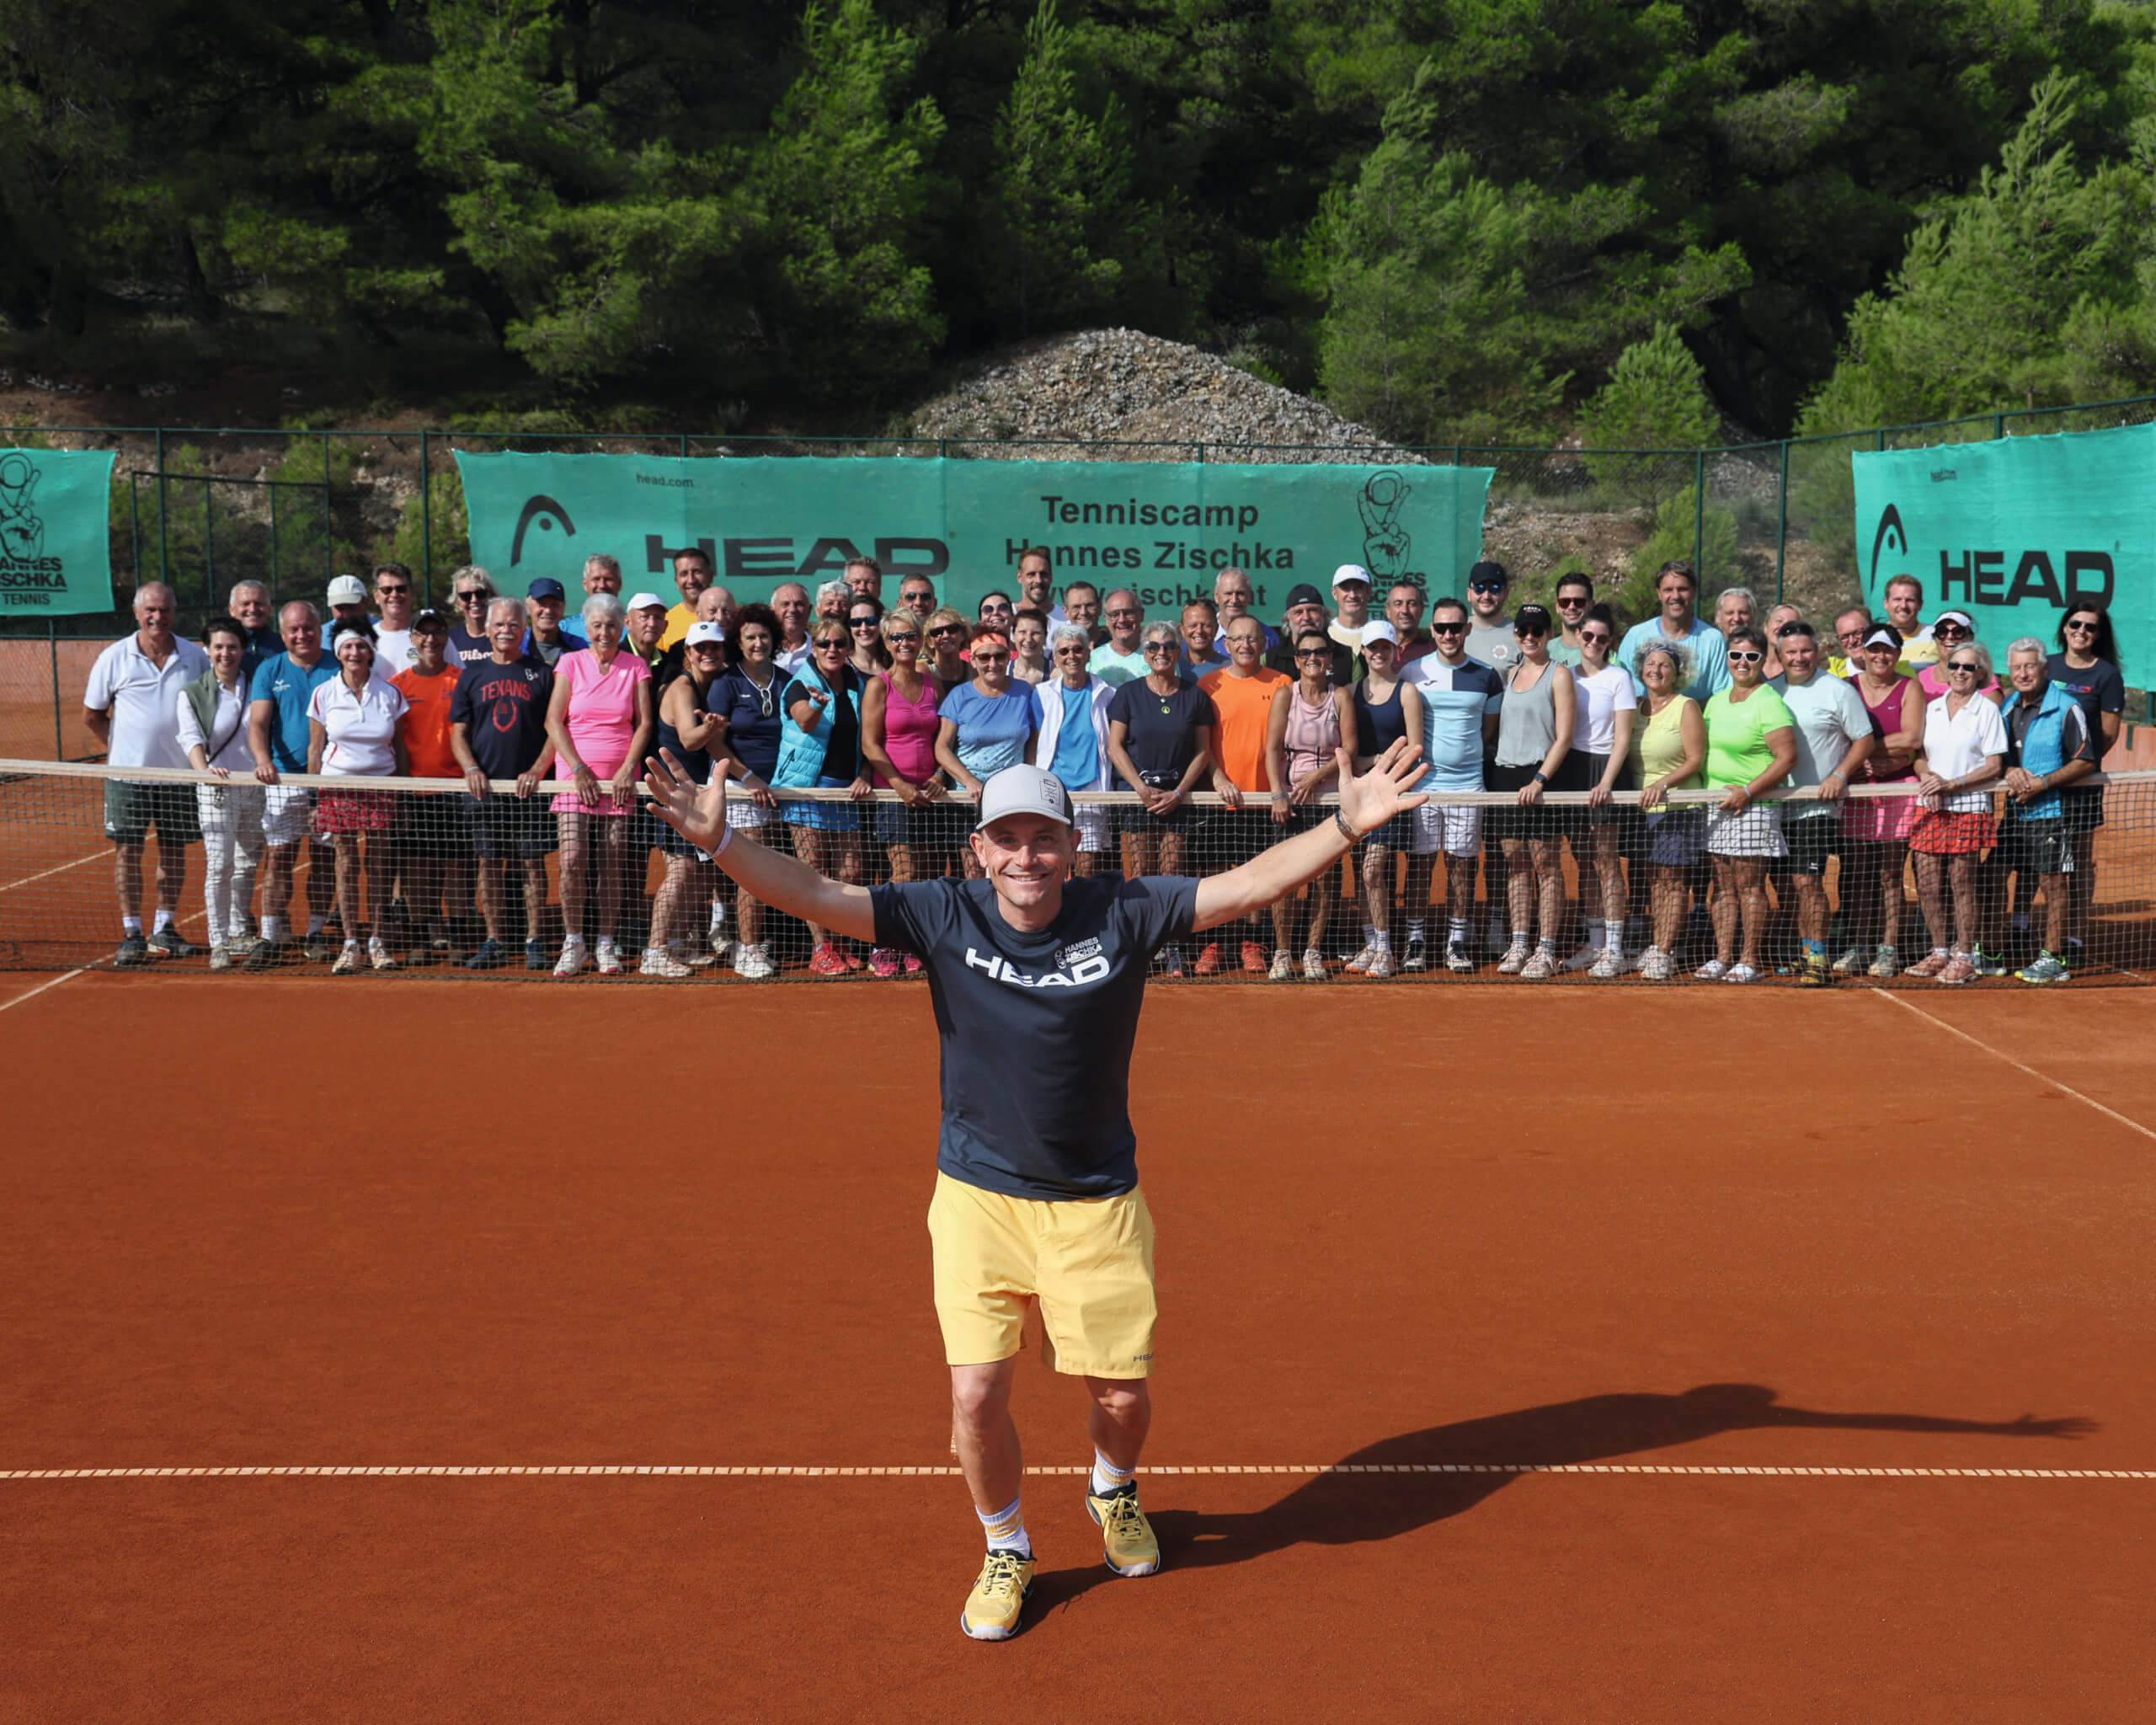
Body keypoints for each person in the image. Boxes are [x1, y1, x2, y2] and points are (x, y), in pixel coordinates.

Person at [639, 734, 1428, 1644]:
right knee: (976, 1394)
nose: (1026, 857)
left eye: (1043, 838)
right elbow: (819, 894)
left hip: (1096, 1198)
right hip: (978, 1194)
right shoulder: (943, 913)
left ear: (1072, 846)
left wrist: (1344, 823)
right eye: (1006, 839)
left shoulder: (1122, 909)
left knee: (1121, 1398)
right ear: (979, 847)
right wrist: (722, 845)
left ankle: (1111, 1487)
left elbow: (1248, 884)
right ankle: (1005, 1543)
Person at [84, 580, 210, 966]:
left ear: (175, 612)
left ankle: (165, 928)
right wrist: (123, 751)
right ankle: (132, 932)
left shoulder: (195, 657)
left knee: (173, 853)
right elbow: (93, 715)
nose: (158, 617)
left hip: (180, 778)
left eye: (165, 610)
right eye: (150, 610)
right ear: (137, 613)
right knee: (128, 853)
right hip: (127, 779)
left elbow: (207, 713)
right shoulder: (113, 657)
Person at [544, 593, 656, 978]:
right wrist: (577, 768)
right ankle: (573, 941)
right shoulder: (570, 662)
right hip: (574, 780)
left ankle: (605, 943)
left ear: (622, 626)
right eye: (597, 626)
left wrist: (628, 770)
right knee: (573, 859)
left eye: (611, 625)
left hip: (620, 783)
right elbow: (554, 722)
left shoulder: (636, 666)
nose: (604, 633)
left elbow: (643, 723)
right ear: (587, 629)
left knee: (612, 862)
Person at [452, 598, 557, 973]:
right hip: (486, 792)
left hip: (530, 792)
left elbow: (554, 730)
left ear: (523, 627)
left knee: (531, 865)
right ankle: (494, 939)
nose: (505, 630)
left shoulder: (542, 673)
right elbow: (458, 733)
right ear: (489, 627)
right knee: (488, 864)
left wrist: (537, 770)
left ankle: (534, 940)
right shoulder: (471, 675)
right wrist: (470, 769)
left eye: (513, 624)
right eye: (499, 624)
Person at [1769, 621, 1875, 987]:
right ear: (1779, 655)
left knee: (1807, 881)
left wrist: (1840, 775)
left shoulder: (1837, 690)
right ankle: (1803, 952)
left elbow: (1863, 740)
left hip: (1818, 806)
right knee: (1787, 885)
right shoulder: (1769, 691)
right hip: (1775, 806)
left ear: (1818, 651)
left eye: (1805, 650)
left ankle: (1818, 955)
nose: (1799, 658)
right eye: (1791, 652)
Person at [1106, 624, 1216, 973]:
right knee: (1140, 875)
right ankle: (1142, 947)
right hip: (1139, 798)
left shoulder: (1195, 696)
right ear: (1145, 651)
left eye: (1169, 645)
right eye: (1154, 645)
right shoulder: (1127, 694)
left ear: (1178, 651)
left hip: (1176, 799)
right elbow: (1115, 746)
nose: (1161, 651)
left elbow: (1203, 752)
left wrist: (1180, 792)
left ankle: (1172, 948)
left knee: (1172, 874)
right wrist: (1139, 787)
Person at [1994, 639, 2101, 985]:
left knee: (2053, 885)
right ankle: (2002, 942)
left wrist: (2043, 784)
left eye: (2029, 666)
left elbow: (2085, 760)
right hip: (2015, 813)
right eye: (2016, 668)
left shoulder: (2067, 707)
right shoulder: (2007, 707)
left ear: (2044, 669)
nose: (2022, 674)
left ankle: (2053, 957)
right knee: (1996, 875)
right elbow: (1997, 757)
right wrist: (2007, 772)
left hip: (2053, 812)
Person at [1407, 595, 1503, 974]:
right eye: (1441, 627)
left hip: (1469, 787)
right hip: (1423, 787)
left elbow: (1487, 731)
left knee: (1462, 867)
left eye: (1455, 627)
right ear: (1432, 630)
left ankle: (1457, 941)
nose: (1448, 634)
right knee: (1420, 866)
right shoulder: (1412, 672)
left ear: (1467, 629)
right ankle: (1415, 940)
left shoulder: (1487, 675)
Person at [307, 621, 409, 974]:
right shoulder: (323, 693)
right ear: (338, 653)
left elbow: (400, 747)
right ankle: (351, 943)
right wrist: (313, 798)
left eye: (361, 647)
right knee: (346, 865)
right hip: (338, 788)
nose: (354, 653)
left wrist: (405, 793)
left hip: (382, 787)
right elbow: (315, 749)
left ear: (370, 652)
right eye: (347, 647)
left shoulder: (391, 694)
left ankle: (377, 941)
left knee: (378, 867)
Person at [1695, 625, 1796, 983]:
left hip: (1753, 808)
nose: (1743, 662)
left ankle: (1749, 959)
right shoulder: (1717, 701)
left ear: (1763, 661)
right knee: (1722, 884)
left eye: (1751, 656)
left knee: (1749, 884)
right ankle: (1723, 956)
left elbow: (1786, 759)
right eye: (1736, 655)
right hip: (1716, 806)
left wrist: (1749, 791)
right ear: (1727, 658)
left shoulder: (1769, 702)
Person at [776, 620, 874, 975]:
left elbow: (867, 738)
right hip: (806, 790)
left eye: (839, 643)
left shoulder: (857, 684)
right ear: (813, 648)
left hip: (846, 792)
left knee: (850, 872)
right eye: (824, 643)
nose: (832, 649)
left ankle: (843, 943)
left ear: (848, 647)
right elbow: (803, 721)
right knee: (814, 873)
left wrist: (865, 774)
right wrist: (817, 705)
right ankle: (822, 948)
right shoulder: (799, 684)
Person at [245, 600, 339, 967]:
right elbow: (258, 725)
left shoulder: (338, 666)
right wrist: (263, 761)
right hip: (283, 780)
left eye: (308, 627)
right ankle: (270, 937)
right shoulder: (270, 669)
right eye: (293, 630)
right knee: (280, 857)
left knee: (325, 858)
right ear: (283, 634)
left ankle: (316, 933)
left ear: (319, 628)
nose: (302, 635)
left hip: (331, 782)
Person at [1906, 640, 2004, 984]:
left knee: (1962, 884)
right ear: (1946, 670)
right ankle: (1939, 951)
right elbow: (1918, 754)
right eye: (1955, 665)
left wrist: (1954, 785)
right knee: (1929, 884)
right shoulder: (1931, 709)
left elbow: (1994, 766)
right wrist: (1927, 777)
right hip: (1929, 808)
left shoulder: (1988, 710)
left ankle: (1965, 956)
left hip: (1969, 808)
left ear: (1980, 674)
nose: (1960, 672)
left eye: (1969, 667)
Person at [860, 607, 949, 977]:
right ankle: (886, 945)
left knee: (928, 872)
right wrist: (898, 784)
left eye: (910, 635)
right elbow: (869, 744)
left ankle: (913, 943)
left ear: (920, 639)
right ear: (886, 643)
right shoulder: (878, 685)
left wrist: (942, 774)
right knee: (903, 871)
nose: (904, 643)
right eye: (896, 637)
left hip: (930, 793)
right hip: (894, 794)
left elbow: (946, 736)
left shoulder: (932, 682)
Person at [1198, 617, 1289, 975]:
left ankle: (1253, 943)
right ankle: (1217, 942)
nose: (1245, 645)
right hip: (1218, 799)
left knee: (1257, 876)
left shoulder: (1283, 684)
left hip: (1265, 799)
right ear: (1226, 645)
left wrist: (1278, 789)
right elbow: (1201, 745)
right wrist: (1218, 777)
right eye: (1237, 639)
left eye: (1252, 638)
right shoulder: (1209, 685)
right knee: (1218, 875)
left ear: (1264, 643)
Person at [1488, 605, 1576, 977]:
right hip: (1506, 778)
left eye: (1537, 630)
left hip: (1542, 779)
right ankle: (1520, 943)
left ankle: (1545, 948)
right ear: (1516, 634)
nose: (1529, 636)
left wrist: (1539, 780)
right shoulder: (1509, 674)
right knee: (1516, 865)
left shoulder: (1559, 675)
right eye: (1523, 629)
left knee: (1546, 865)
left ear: (1547, 634)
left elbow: (1564, 737)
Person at [639, 621, 729, 978]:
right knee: (680, 872)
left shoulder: (707, 686)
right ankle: (655, 951)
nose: (708, 653)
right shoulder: (682, 686)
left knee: (701, 872)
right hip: (674, 793)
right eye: (700, 648)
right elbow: (690, 740)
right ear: (689, 653)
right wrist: (712, 727)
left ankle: (677, 943)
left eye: (715, 647)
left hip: (695, 794)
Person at [1838, 623, 1925, 977]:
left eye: (1888, 650)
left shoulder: (1910, 688)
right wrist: (1860, 758)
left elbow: (1912, 737)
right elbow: (1838, 736)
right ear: (1862, 652)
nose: (1880, 656)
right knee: (1859, 874)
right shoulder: (1847, 688)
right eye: (1874, 649)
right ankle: (1860, 945)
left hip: (1898, 791)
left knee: (1890, 874)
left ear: (1898, 654)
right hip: (1858, 792)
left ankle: (1888, 949)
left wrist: (1861, 749)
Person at [1265, 629, 1352, 979]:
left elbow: (1349, 749)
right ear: (1297, 660)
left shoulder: (1341, 697)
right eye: (1305, 653)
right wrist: (1278, 794)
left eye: (1319, 652)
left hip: (1329, 799)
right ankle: (1283, 954)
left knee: (1325, 881)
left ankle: (1313, 953)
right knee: (1284, 880)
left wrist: (1317, 777)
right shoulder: (1285, 695)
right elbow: (1272, 749)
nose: (1312, 658)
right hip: (1290, 802)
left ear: (1330, 659)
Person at [178, 617, 264, 969]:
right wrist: (205, 774)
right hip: (216, 790)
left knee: (246, 862)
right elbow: (190, 738)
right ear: (207, 650)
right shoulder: (192, 693)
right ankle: (219, 942)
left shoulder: (257, 684)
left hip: (256, 788)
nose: (225, 653)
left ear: (243, 650)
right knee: (220, 864)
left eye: (232, 646)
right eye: (218, 647)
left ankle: (240, 928)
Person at [1342, 621, 1426, 978]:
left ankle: (1387, 949)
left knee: (1372, 870)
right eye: (1372, 647)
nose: (1378, 653)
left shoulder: (1407, 693)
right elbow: (1346, 749)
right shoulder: (1348, 691)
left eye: (1385, 647)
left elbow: (1416, 748)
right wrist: (1363, 765)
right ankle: (1372, 945)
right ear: (1363, 651)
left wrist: (1374, 764)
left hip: (1390, 793)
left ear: (1395, 651)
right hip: (1356, 794)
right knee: (1364, 873)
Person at [1558, 603, 1637, 977]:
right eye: (1587, 636)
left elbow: (1622, 740)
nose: (1593, 642)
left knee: (1607, 863)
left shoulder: (1619, 678)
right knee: (1584, 861)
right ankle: (1594, 943)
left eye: (1601, 638)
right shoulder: (1565, 676)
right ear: (1577, 636)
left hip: (1605, 770)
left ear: (1610, 643)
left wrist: (1606, 781)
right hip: (1572, 769)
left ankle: (1615, 949)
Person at [387, 610, 471, 963]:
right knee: (417, 869)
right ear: (412, 639)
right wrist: (404, 791)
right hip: (415, 792)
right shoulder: (397, 685)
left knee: (457, 869)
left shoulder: (462, 680)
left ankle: (458, 938)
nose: (431, 640)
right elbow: (395, 743)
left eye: (438, 633)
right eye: (423, 634)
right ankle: (421, 937)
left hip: (456, 791)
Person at [2047, 601, 2125, 959]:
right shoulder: (2047, 666)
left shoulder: (2106, 675)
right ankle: (2035, 928)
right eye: (2075, 624)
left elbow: (2108, 735)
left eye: (2090, 627)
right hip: (2041, 781)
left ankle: (2074, 937)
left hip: (2081, 785)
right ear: (2064, 627)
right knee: (2042, 859)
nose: (2081, 631)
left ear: (2098, 634)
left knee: (2078, 860)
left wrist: (2078, 767)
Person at [937, 628, 1045, 882]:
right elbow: (941, 747)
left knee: (1010, 868)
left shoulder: (1026, 692)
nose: (993, 663)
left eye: (999, 656)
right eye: (984, 657)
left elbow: (1034, 743)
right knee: (975, 873)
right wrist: (970, 782)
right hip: (968, 802)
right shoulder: (959, 696)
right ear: (972, 660)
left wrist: (1030, 776)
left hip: (1013, 799)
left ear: (1009, 657)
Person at [1627, 639, 1707, 980]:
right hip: (1641, 809)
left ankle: (1664, 951)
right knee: (1654, 881)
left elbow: (1695, 759)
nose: (1656, 670)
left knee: (1674, 882)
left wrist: (1663, 785)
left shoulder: (1686, 707)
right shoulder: (1634, 708)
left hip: (1678, 806)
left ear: (1676, 673)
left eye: (1664, 665)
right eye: (1650, 664)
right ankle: (1659, 944)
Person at [1034, 623, 1118, 882]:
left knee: (1085, 868)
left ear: (1088, 653)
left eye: (1078, 650)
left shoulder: (1108, 694)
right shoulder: (1041, 695)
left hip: (1093, 792)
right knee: (1053, 861)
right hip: (1052, 792)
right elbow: (1035, 745)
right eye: (1064, 651)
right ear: (1056, 658)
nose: (1072, 656)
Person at [1618, 560, 1729, 702]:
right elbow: (1619, 690)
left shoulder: (1713, 639)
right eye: (1668, 590)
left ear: (1694, 591)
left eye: (1682, 589)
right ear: (1659, 593)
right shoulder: (1635, 636)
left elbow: (1722, 695)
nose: (1676, 596)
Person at [1263, 583, 1354, 683]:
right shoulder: (1269, 659)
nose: (1306, 617)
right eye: (1298, 612)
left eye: (1313, 610)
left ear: (1324, 615)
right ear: (1288, 618)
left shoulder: (1347, 656)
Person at [1914, 611, 2002, 703]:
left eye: (1958, 632)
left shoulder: (1984, 679)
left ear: (1971, 637)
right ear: (1935, 637)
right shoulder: (1920, 679)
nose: (1950, 636)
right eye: (1942, 632)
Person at [1462, 561, 1520, 674]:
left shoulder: (1521, 635)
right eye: (1480, 588)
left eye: (1494, 588)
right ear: (1469, 594)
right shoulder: (1454, 631)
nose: (1486, 596)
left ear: (1506, 594)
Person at [660, 547, 714, 651]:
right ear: (676, 581)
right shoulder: (664, 623)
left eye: (697, 572)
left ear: (710, 576)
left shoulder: (735, 617)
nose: (691, 580)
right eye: (684, 574)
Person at [523, 575, 585, 665]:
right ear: (527, 606)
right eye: (542, 604)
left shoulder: (579, 648)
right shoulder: (515, 646)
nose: (548, 610)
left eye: (555, 605)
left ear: (563, 607)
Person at [1089, 591, 1149, 686]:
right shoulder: (1092, 660)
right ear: (1106, 620)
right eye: (1115, 614)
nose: (1122, 620)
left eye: (1128, 613)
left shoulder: (1158, 656)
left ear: (1141, 615)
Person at [370, 563, 419, 674]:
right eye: (387, 590)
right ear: (376, 596)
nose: (394, 594)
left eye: (401, 589)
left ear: (412, 593)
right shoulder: (366, 640)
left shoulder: (433, 638)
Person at [1213, 569, 1277, 652]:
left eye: (1240, 593)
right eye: (1228, 593)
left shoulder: (1268, 637)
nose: (1234, 600)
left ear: (1250, 596)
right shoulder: (1201, 636)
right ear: (1216, 596)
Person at [445, 566, 496, 666]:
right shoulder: (449, 640)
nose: (474, 600)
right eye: (466, 596)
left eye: (480, 593)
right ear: (457, 601)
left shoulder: (503, 636)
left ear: (491, 596)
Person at [1882, 575, 1935, 667]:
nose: (1903, 606)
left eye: (1910, 600)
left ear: (1920, 604)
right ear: (1886, 603)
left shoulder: (1937, 637)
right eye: (1897, 599)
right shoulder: (1874, 638)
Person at [228, 579, 280, 669]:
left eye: (258, 604)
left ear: (270, 609)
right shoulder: (219, 647)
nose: (252, 609)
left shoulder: (285, 646)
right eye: (245, 604)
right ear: (232, 610)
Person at [1549, 571, 1594, 667]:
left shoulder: (1603, 654)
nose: (1571, 607)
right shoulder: (1544, 652)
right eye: (1565, 602)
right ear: (1557, 607)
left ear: (1592, 605)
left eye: (1579, 602)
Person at [624, 591, 672, 679]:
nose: (652, 624)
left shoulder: (671, 664)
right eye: (644, 617)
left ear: (665, 626)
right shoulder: (614, 660)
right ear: (627, 623)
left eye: (658, 618)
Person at [1177, 600, 1227, 681]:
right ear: (1182, 630)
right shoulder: (1173, 668)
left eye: (1206, 625)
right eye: (1192, 625)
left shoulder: (1231, 668)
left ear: (1216, 629)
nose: (1199, 631)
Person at [1385, 581, 1433, 665]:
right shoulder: (1375, 652)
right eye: (1398, 604)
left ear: (1421, 610)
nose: (1405, 610)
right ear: (1388, 611)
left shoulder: (1433, 652)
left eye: (1412, 604)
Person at [1329, 563, 1372, 656]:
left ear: (1369, 592)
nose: (1352, 595)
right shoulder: (1325, 632)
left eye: (1358, 588)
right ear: (1334, 594)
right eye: (1346, 588)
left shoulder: (1379, 632)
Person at [925, 606, 972, 687]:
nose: (945, 635)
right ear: (929, 642)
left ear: (963, 634)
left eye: (952, 629)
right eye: (937, 632)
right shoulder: (923, 672)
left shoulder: (973, 672)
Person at [771, 581, 814, 673]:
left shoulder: (822, 650)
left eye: (799, 604)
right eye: (785, 604)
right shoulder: (762, 650)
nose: (792, 610)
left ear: (809, 610)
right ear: (772, 610)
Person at [847, 593, 891, 680]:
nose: (864, 628)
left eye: (871, 621)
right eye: (856, 622)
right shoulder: (842, 667)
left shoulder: (894, 664)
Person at [325, 574, 373, 648]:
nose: (347, 615)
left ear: (366, 603)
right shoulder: (318, 638)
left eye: (352, 607)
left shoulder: (385, 632)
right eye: (340, 608)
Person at [1758, 603, 1804, 680]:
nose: (1783, 627)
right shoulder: (1751, 661)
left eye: (1791, 623)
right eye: (1779, 621)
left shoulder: (1801, 669)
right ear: (1766, 627)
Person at [1014, 547, 1055, 622]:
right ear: (1019, 577)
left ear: (1051, 577)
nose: (1038, 580)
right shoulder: (1007, 617)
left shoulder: (1066, 618)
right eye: (1031, 574)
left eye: (1043, 574)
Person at [1828, 607, 1873, 679]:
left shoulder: (1895, 665)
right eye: (1844, 637)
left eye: (1858, 632)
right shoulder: (1834, 678)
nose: (1852, 641)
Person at [1010, 608, 1050, 685]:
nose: (1028, 639)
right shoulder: (1003, 672)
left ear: (1045, 637)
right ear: (1013, 636)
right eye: (1022, 632)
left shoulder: (1056, 675)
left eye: (1035, 633)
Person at [1060, 580, 1103, 646]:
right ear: (1066, 612)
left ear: (1099, 607)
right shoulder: (1060, 651)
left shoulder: (1117, 648)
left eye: (1089, 605)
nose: (1083, 612)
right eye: (1076, 607)